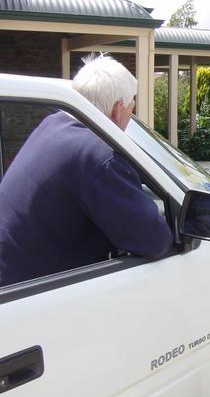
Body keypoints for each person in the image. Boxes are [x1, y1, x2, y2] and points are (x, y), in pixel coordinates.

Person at [0, 55, 173, 287]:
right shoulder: (99, 157)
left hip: (15, 279)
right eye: (132, 106)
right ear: (118, 109)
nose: (131, 116)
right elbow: (154, 241)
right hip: (26, 297)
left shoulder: (52, 125)